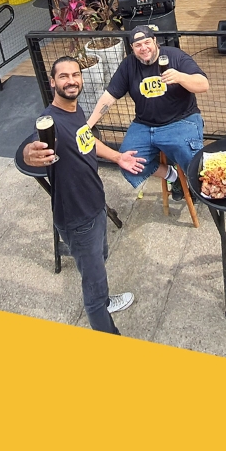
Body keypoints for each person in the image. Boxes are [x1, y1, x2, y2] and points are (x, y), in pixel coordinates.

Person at [19, 56, 145, 335]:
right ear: (52, 82)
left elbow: (87, 138)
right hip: (78, 220)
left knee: (100, 258)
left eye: (75, 74)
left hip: (96, 205)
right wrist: (30, 154)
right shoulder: (50, 122)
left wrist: (118, 157)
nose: (71, 81)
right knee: (94, 292)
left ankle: (106, 300)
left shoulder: (75, 111)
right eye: (63, 76)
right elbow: (33, 148)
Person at [86, 26, 209, 200]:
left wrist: (180, 77)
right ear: (132, 48)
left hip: (181, 120)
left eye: (147, 42)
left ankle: (195, 185)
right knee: (128, 163)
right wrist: (88, 125)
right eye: (138, 45)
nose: (143, 48)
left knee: (195, 162)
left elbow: (203, 84)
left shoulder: (175, 56)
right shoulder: (129, 65)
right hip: (145, 124)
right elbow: (109, 96)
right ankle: (173, 176)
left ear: (155, 42)